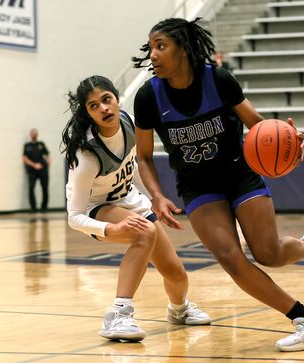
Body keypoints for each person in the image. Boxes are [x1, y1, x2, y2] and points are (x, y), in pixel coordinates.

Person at [132, 18, 304, 352]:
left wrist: (289, 144)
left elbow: (259, 127)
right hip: (197, 185)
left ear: (184, 49)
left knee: (269, 254)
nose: (154, 55)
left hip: (238, 173)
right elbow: (144, 157)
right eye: (151, 48)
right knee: (231, 259)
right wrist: (157, 196)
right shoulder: (148, 97)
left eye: (161, 46)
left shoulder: (217, 80)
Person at [60, 75, 211, 342]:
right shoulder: (88, 154)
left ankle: (179, 310)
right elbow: (74, 217)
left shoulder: (130, 123)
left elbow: (136, 165)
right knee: (144, 233)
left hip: (127, 198)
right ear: (88, 113)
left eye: (106, 100)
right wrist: (111, 228)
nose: (104, 108)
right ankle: (118, 315)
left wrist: (155, 197)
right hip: (97, 207)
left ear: (117, 99)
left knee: (176, 273)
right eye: (94, 106)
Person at [23, 128, 50, 212]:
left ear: (37, 135)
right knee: (31, 188)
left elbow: (48, 156)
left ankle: (44, 208)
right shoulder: (27, 146)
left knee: (45, 188)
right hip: (32, 171)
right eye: (32, 133)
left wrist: (45, 164)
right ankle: (33, 208)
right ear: (30, 135)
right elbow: (24, 158)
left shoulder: (41, 144)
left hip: (42, 170)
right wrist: (34, 165)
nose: (34, 135)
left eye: (35, 133)